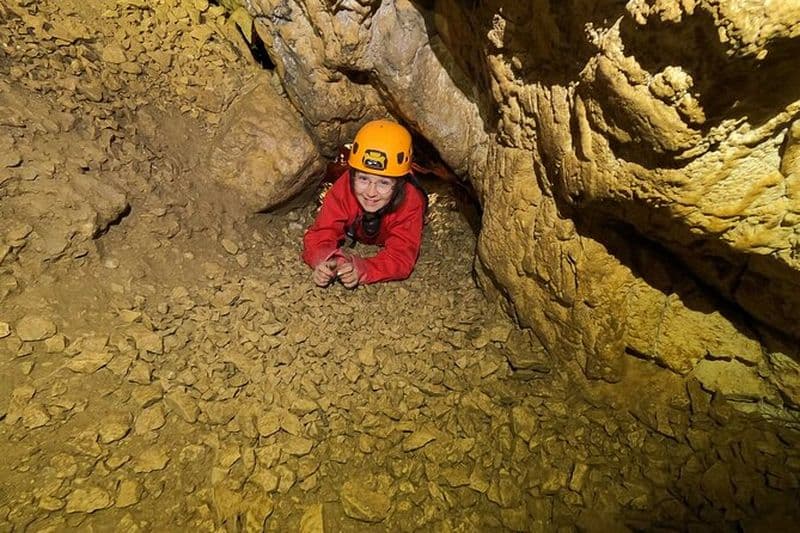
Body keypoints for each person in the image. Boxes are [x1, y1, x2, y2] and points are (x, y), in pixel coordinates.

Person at [302, 119, 427, 289]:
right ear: (352, 175)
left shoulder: (410, 201)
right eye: (363, 178)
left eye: (383, 183)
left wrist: (364, 269)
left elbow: (401, 257)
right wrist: (327, 260)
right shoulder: (345, 186)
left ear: (399, 184)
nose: (371, 192)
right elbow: (321, 233)